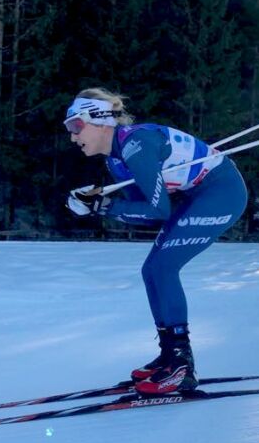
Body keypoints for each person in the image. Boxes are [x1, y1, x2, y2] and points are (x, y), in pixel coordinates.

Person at [64, 88, 248, 395]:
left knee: (163, 269)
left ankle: (180, 364)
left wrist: (103, 206)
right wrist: (103, 203)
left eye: (75, 126)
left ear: (99, 121)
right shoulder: (117, 160)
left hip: (221, 193)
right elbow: (146, 214)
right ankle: (170, 355)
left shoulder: (137, 144)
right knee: (152, 270)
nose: (72, 136)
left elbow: (158, 210)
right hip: (198, 196)